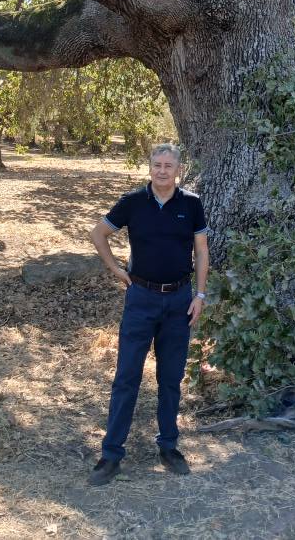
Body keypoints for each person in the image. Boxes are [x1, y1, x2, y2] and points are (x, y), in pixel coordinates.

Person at [88, 143, 209, 485]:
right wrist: (116, 269)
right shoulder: (132, 202)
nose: (162, 170)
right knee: (126, 376)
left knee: (170, 378)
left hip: (179, 301)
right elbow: (98, 234)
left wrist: (200, 295)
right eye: (157, 164)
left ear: (178, 169)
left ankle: (169, 447)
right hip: (140, 299)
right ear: (150, 167)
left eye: (169, 165)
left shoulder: (192, 204)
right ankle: (111, 454)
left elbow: (201, 251)